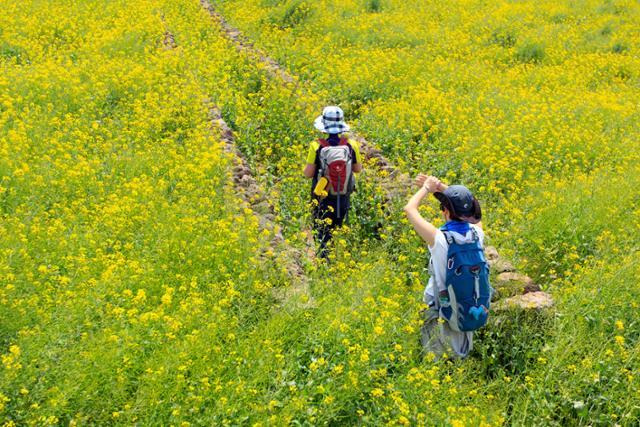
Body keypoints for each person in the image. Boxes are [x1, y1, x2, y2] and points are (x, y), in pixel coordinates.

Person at [404, 174, 486, 359]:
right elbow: (475, 212)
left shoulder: (439, 238)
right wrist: (441, 186)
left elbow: (409, 208)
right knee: (458, 350)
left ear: (446, 211)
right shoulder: (477, 233)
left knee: (435, 355)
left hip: (439, 304)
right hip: (467, 302)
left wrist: (427, 187)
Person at [303, 106, 363, 258]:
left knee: (322, 231)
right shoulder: (351, 145)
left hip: (321, 197)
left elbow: (308, 174)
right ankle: (338, 258)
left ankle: (323, 262)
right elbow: (357, 169)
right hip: (343, 195)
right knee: (338, 227)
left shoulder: (317, 145)